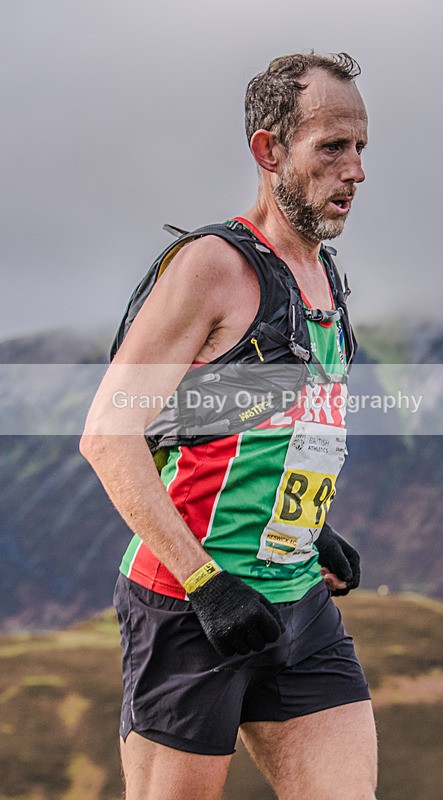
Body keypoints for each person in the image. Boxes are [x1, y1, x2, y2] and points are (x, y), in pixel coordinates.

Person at [80, 52, 377, 800]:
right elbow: (109, 436)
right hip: (188, 607)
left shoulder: (327, 277)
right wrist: (206, 583)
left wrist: (313, 525)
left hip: (297, 598)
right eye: (331, 148)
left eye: (361, 149)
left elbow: (255, 421)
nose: (355, 173)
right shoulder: (212, 266)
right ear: (269, 150)